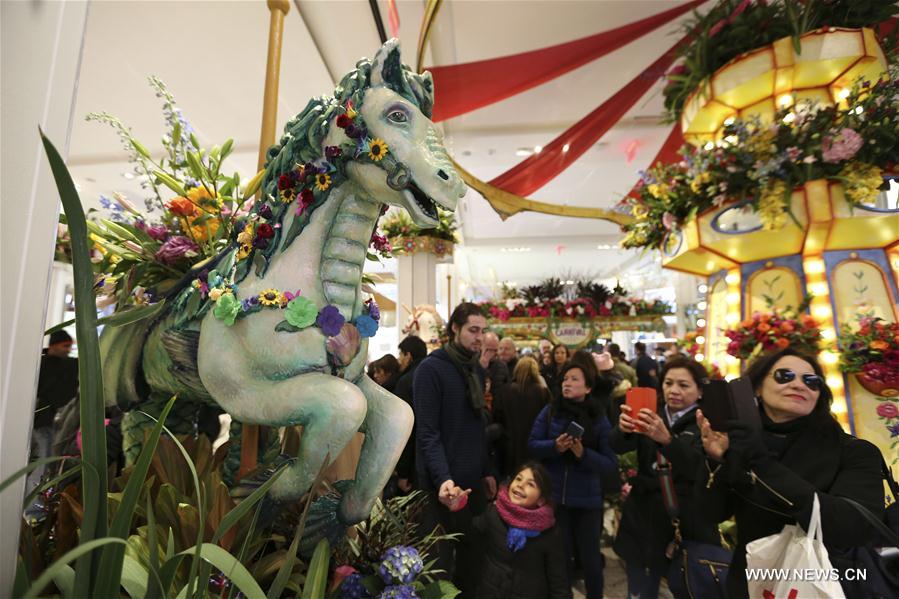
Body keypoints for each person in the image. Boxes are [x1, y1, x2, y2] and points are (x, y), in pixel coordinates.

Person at [696, 348, 885, 599]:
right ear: (757, 388)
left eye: (811, 381)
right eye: (784, 375)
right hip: (752, 580)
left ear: (819, 394)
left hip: (828, 581)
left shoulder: (853, 451)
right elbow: (709, 514)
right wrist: (715, 460)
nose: (798, 385)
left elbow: (852, 527)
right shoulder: (740, 443)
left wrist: (762, 464)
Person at [610, 356, 722, 599]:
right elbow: (616, 447)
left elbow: (703, 470)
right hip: (642, 516)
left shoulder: (709, 423)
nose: (674, 391)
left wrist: (668, 441)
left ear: (700, 390)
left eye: (684, 385)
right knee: (640, 588)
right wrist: (623, 430)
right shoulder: (650, 412)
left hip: (685, 519)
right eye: (668, 383)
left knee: (689, 584)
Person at [414, 302, 496, 596]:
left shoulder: (476, 370)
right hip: (441, 490)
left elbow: (477, 429)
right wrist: (444, 479)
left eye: (483, 331)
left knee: (473, 570)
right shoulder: (431, 370)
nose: (480, 338)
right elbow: (428, 434)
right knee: (438, 574)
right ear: (454, 329)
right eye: (473, 330)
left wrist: (487, 471)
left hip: (473, 489)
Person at [528, 362, 618, 599]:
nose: (567, 383)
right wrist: (554, 447)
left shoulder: (598, 417)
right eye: (565, 378)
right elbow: (533, 445)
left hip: (588, 502)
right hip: (557, 499)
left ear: (588, 387)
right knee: (560, 560)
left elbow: (610, 464)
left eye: (574, 379)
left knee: (590, 561)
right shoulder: (550, 411)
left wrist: (583, 454)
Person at [473, 461, 572, 599]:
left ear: (541, 499)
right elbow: (468, 536)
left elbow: (558, 582)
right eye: (518, 479)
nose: (520, 485)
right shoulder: (493, 513)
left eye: (530, 484)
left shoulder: (550, 532)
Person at [29, 330, 79, 490]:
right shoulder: (40, 365)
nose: (68, 349)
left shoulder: (68, 365)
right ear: (53, 345)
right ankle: (32, 509)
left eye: (70, 346)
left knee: (45, 465)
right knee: (40, 466)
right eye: (65, 345)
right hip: (41, 424)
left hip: (53, 424)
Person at [492, 357, 551, 478]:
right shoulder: (542, 392)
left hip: (510, 447)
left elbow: (497, 416)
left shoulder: (504, 390)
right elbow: (549, 419)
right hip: (534, 447)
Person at [393, 335, 428, 494]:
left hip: (415, 461)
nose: (399, 359)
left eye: (401, 354)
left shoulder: (405, 381)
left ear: (409, 355)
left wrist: (403, 472)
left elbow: (405, 429)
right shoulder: (434, 375)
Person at [480, 331, 511, 409]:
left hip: (497, 410)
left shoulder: (502, 365)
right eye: (489, 350)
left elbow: (506, 391)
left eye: (495, 350)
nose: (492, 353)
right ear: (481, 346)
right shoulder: (473, 363)